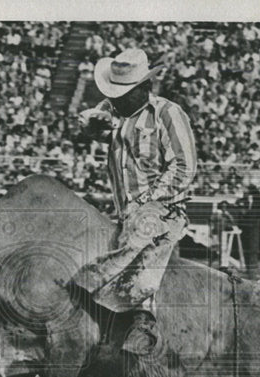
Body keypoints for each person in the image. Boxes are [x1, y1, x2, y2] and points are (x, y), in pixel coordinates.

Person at [71, 48, 198, 356]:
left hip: (163, 208)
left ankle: (142, 321)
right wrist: (88, 128)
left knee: (143, 229)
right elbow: (92, 131)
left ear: (143, 88)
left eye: (122, 93)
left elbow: (184, 164)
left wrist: (148, 200)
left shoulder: (167, 113)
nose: (115, 99)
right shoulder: (116, 116)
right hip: (125, 211)